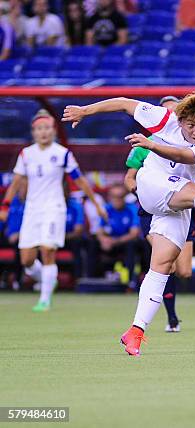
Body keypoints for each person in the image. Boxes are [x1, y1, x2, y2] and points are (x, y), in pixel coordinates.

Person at [62, 91, 195, 355]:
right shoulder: (165, 117)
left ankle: (135, 331)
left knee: (162, 266)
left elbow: (185, 157)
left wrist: (151, 144)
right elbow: (123, 103)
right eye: (191, 125)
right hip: (151, 185)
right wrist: (84, 111)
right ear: (181, 119)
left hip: (175, 204)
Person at [0, 109, 106, 312]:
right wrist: (5, 205)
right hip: (32, 210)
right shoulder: (26, 154)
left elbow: (80, 180)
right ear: (34, 131)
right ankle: (48, 280)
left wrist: (97, 204)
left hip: (54, 208)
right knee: (27, 260)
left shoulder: (62, 154)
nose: (43, 132)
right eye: (39, 129)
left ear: (53, 130)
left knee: (48, 250)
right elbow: (16, 182)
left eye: (47, 128)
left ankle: (44, 299)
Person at [123, 95, 195, 333]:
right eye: (165, 111)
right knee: (168, 266)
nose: (170, 117)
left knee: (184, 270)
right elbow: (128, 179)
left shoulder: (191, 145)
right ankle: (170, 317)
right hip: (153, 210)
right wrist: (143, 189)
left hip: (183, 208)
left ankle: (162, 310)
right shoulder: (145, 144)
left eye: (175, 112)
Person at [88, 183, 139, 286]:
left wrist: (115, 241)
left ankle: (130, 282)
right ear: (109, 197)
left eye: (120, 197)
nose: (117, 199)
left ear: (125, 197)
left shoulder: (132, 209)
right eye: (114, 197)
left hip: (124, 242)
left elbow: (134, 233)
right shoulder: (106, 209)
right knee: (91, 243)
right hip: (108, 243)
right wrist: (103, 239)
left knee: (133, 244)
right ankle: (91, 280)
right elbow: (98, 230)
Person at [65, 189, 85, 278]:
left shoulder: (76, 206)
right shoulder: (49, 205)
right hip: (52, 239)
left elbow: (78, 230)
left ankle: (78, 279)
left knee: (78, 243)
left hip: (70, 239)